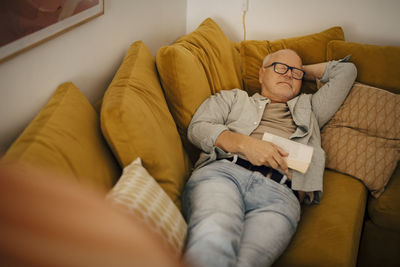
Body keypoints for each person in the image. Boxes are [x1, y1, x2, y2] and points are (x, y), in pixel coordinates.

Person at [182, 49, 357, 267]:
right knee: (215, 234)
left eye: (295, 72)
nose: (288, 75)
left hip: (280, 194)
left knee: (248, 261)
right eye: (279, 67)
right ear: (261, 74)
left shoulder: (311, 108)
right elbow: (197, 128)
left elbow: (346, 71)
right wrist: (246, 145)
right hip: (224, 175)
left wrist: (296, 70)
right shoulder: (233, 98)